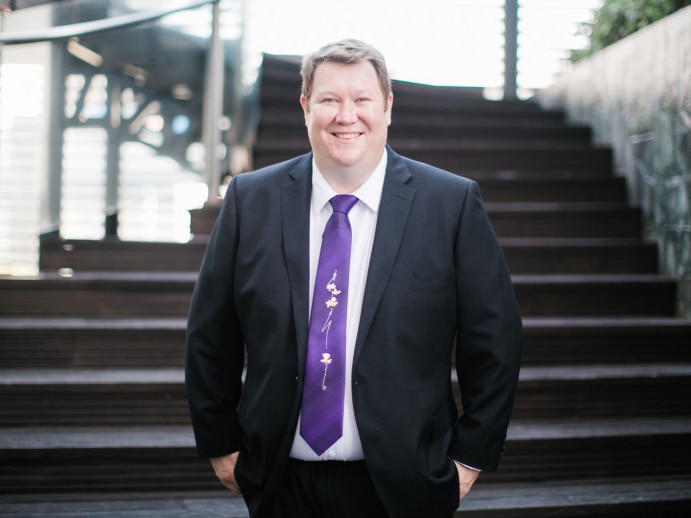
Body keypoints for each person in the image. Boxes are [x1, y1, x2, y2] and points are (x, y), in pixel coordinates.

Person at [185, 38, 522, 518]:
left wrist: (470, 455)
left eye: (362, 99)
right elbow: (210, 332)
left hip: (405, 482)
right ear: (305, 107)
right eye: (329, 99)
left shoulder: (451, 204)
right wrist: (219, 439)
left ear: (386, 106)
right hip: (279, 479)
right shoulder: (249, 199)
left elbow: (495, 339)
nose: (347, 116)